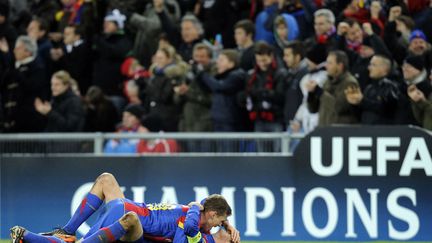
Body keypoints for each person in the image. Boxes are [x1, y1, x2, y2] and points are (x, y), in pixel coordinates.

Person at [10, 172, 240, 243]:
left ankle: (64, 231)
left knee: (106, 180)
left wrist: (227, 225)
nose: (221, 226)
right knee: (129, 219)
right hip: (131, 220)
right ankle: (36, 236)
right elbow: (188, 233)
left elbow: (202, 230)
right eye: (220, 221)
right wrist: (193, 206)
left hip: (126, 207)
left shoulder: (204, 226)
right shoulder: (192, 220)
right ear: (210, 214)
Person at [307, 50, 360, 126]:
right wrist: (311, 94)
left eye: (330, 63)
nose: (326, 66)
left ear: (340, 66)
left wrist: (320, 92)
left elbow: (339, 107)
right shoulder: (327, 81)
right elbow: (313, 109)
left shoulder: (350, 83)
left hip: (339, 132)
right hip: (324, 130)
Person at [345, 54, 400, 124]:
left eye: (373, 65)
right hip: (367, 131)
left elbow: (387, 110)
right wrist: (354, 103)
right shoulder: (369, 88)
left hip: (384, 132)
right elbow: (360, 116)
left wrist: (362, 101)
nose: (369, 68)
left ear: (384, 69)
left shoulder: (391, 87)